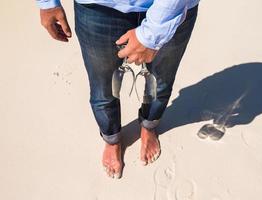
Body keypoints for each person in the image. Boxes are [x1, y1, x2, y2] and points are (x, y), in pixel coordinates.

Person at [37, 0, 199, 179]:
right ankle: (112, 139)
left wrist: (154, 33)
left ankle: (148, 126)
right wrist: (47, 3)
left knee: (161, 81)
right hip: (99, 7)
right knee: (103, 88)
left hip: (174, 9)